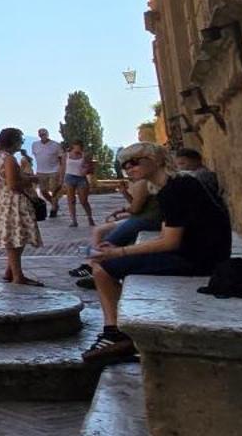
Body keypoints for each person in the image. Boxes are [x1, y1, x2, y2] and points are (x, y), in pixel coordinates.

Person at [84, 142, 233, 365]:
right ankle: (118, 330)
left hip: (198, 259)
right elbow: (167, 235)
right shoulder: (171, 187)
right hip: (197, 253)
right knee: (107, 263)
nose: (130, 168)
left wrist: (121, 252)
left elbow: (170, 242)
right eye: (125, 165)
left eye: (135, 161)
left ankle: (115, 333)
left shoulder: (177, 189)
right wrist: (121, 251)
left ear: (155, 160)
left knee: (103, 268)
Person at [0, 130, 42, 285]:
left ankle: (10, 271)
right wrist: (31, 180)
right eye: (20, 140)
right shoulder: (9, 159)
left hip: (2, 201)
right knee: (16, 238)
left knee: (14, 236)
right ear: (14, 141)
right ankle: (18, 276)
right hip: (14, 202)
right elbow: (13, 183)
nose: (22, 142)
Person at [30, 129, 64, 217]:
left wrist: (61, 172)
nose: (42, 135)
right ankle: (54, 204)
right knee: (43, 191)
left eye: (44, 134)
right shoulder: (35, 145)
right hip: (41, 171)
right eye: (41, 134)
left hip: (54, 170)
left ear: (47, 134)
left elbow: (61, 160)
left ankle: (53, 209)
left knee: (54, 190)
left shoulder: (56, 145)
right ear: (39, 135)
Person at [61, 141, 95, 227]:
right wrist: (61, 180)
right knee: (71, 200)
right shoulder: (66, 155)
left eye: (80, 147)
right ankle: (74, 220)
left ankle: (90, 217)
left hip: (81, 178)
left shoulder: (84, 155)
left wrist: (86, 168)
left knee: (83, 200)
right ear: (73, 146)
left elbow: (90, 168)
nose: (78, 149)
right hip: (69, 177)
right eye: (76, 147)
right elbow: (62, 167)